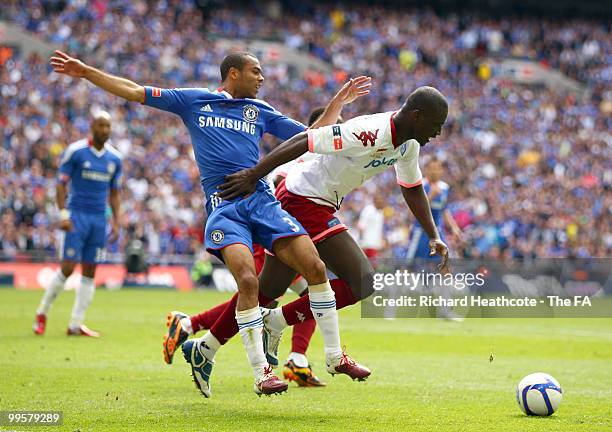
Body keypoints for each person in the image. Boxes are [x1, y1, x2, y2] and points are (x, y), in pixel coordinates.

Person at [49, 49, 371, 397]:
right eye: (255, 71)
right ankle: (262, 373)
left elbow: (311, 137)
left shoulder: (260, 111)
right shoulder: (195, 102)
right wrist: (86, 72)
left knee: (315, 267)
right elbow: (134, 89)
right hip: (226, 206)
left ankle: (332, 355)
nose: (262, 78)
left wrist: (338, 102)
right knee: (248, 280)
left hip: (263, 201)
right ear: (233, 73)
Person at [164, 86, 451, 389]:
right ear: (417, 116)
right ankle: (298, 336)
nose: (438, 132)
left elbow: (412, 187)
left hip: (317, 203)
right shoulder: (368, 131)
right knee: (363, 281)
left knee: (265, 291)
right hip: (301, 199)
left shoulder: (408, 145)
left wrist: (434, 234)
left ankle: (203, 348)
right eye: (436, 124)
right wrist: (253, 174)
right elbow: (305, 140)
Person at [165, 107, 339, 388]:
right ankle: (194, 328)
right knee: (261, 295)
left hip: (280, 236)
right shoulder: (296, 161)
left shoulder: (327, 167)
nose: (338, 137)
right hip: (267, 237)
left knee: (297, 293)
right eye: (335, 129)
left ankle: (294, 357)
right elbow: (284, 199)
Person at [33, 111, 122, 338]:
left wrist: (116, 221)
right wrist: (63, 214)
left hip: (98, 220)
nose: (105, 130)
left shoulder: (115, 159)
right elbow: (61, 185)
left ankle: (75, 324)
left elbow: (114, 193)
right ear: (92, 126)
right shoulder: (76, 151)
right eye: (101, 126)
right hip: (77, 216)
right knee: (68, 267)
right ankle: (42, 312)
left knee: (90, 270)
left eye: (108, 126)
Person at [407, 157, 463, 320]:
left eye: (438, 168)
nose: (434, 171)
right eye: (431, 168)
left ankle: (444, 312)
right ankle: (391, 308)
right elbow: (412, 213)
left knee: (446, 269)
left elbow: (444, 210)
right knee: (406, 268)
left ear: (442, 170)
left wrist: (454, 227)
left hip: (438, 234)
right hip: (421, 232)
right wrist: (430, 196)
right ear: (426, 170)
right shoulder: (420, 187)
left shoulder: (445, 188)